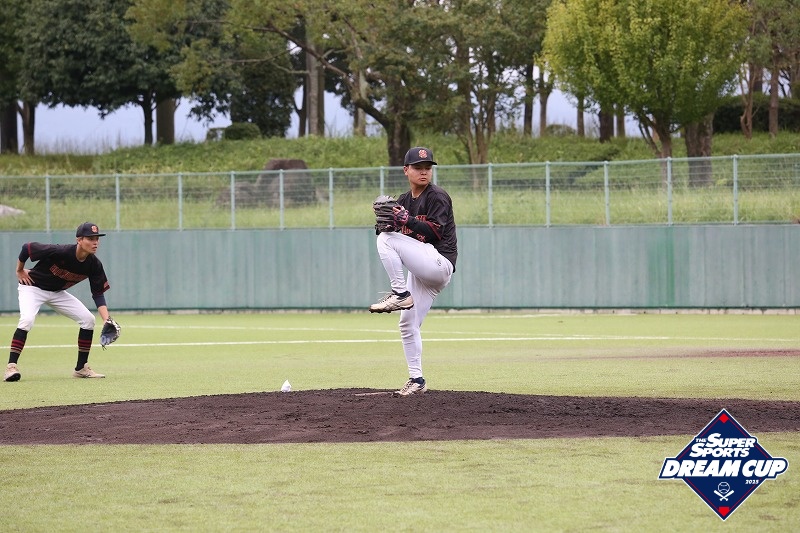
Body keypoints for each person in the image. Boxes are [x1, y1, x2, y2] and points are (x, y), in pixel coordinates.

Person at [369, 147, 458, 396]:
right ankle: (417, 380)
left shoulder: (437, 196)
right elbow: (391, 231)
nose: (424, 171)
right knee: (407, 324)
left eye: (428, 167)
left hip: (439, 262)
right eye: (418, 168)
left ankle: (399, 293)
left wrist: (406, 221)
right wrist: (384, 224)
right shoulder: (404, 200)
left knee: (386, 241)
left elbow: (435, 232)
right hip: (422, 271)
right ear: (406, 170)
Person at [4, 222, 113, 382]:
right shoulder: (61, 251)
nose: (95, 242)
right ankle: (11, 367)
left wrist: (106, 319)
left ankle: (81, 368)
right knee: (27, 320)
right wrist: (19, 270)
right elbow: (27, 248)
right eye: (90, 238)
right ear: (79, 240)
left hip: (57, 292)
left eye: (97, 238)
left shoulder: (94, 264)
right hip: (33, 287)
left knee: (88, 320)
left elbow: (98, 294)